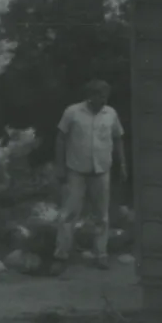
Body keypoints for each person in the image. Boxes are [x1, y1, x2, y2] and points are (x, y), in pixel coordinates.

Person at [53, 79, 127, 271]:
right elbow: (61, 138)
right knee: (69, 213)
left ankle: (101, 254)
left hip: (101, 170)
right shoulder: (73, 112)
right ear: (90, 96)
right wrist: (60, 166)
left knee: (102, 215)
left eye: (105, 96)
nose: (103, 99)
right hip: (76, 170)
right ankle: (61, 254)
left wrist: (122, 163)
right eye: (99, 95)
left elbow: (118, 138)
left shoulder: (110, 114)